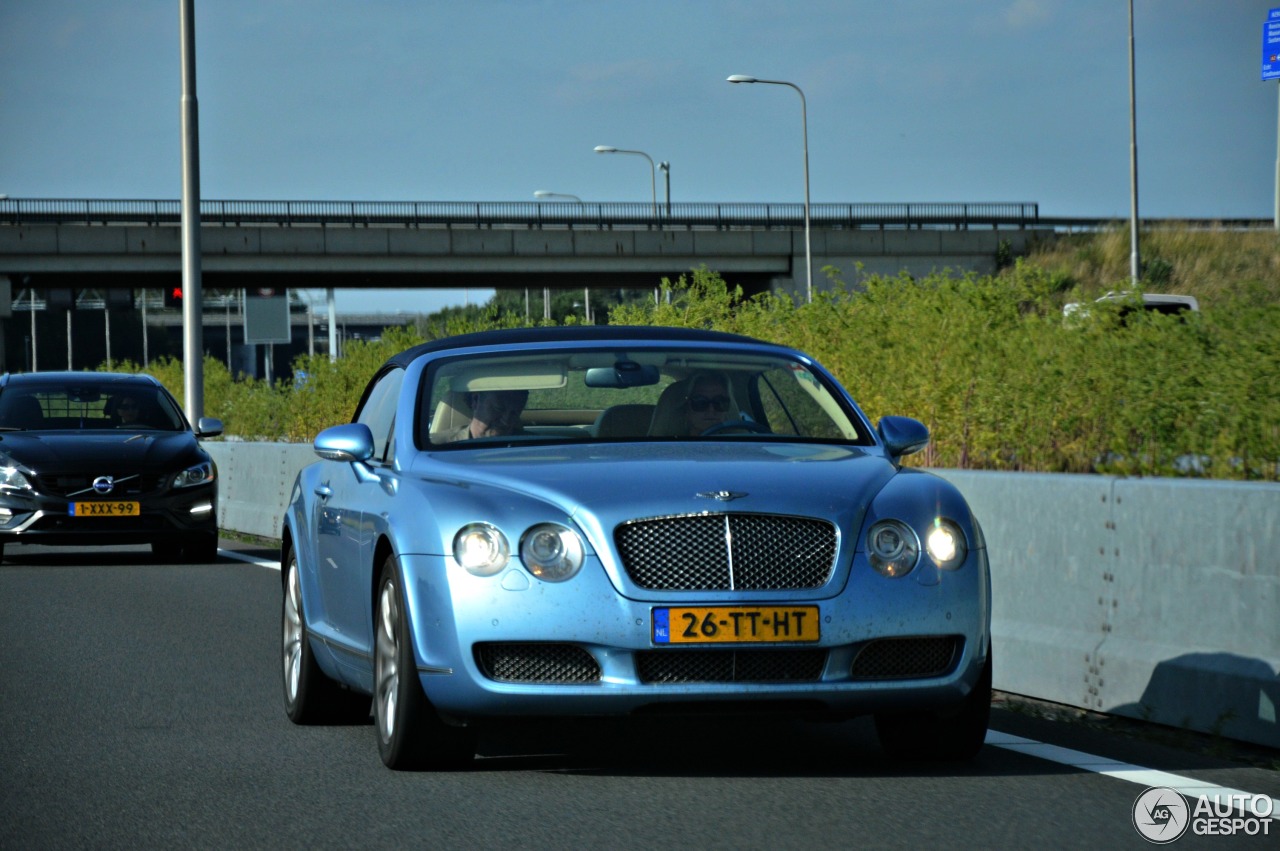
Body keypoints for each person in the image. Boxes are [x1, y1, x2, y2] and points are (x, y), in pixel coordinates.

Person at [447, 389, 528, 441]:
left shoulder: (534, 448)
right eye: (499, 409)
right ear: (475, 400)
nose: (506, 421)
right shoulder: (439, 449)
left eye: (514, 413)